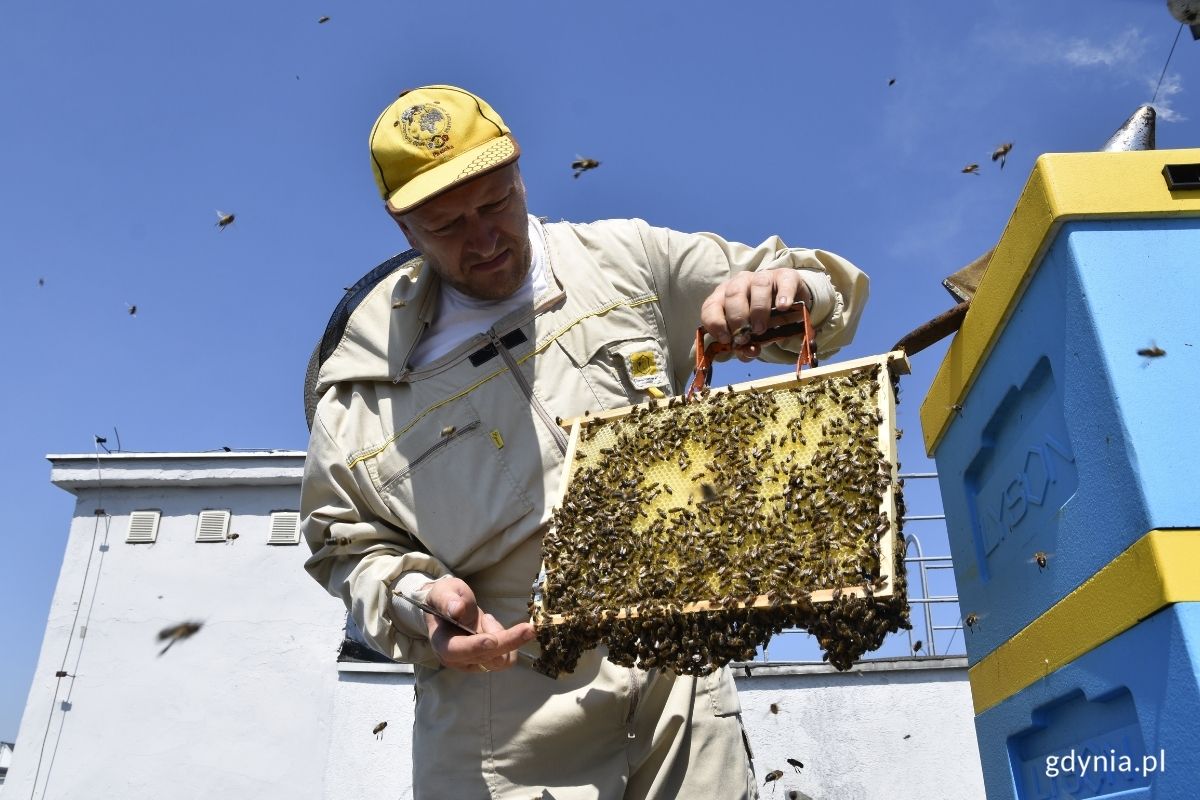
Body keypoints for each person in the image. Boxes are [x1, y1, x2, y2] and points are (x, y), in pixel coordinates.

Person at [300, 84, 868, 800]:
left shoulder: (625, 260)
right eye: (447, 224)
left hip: (678, 687)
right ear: (404, 227)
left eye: (495, 203)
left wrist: (784, 295)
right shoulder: (360, 381)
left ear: (520, 174)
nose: (483, 240)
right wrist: (417, 597)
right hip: (501, 719)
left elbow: (816, 288)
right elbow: (343, 544)